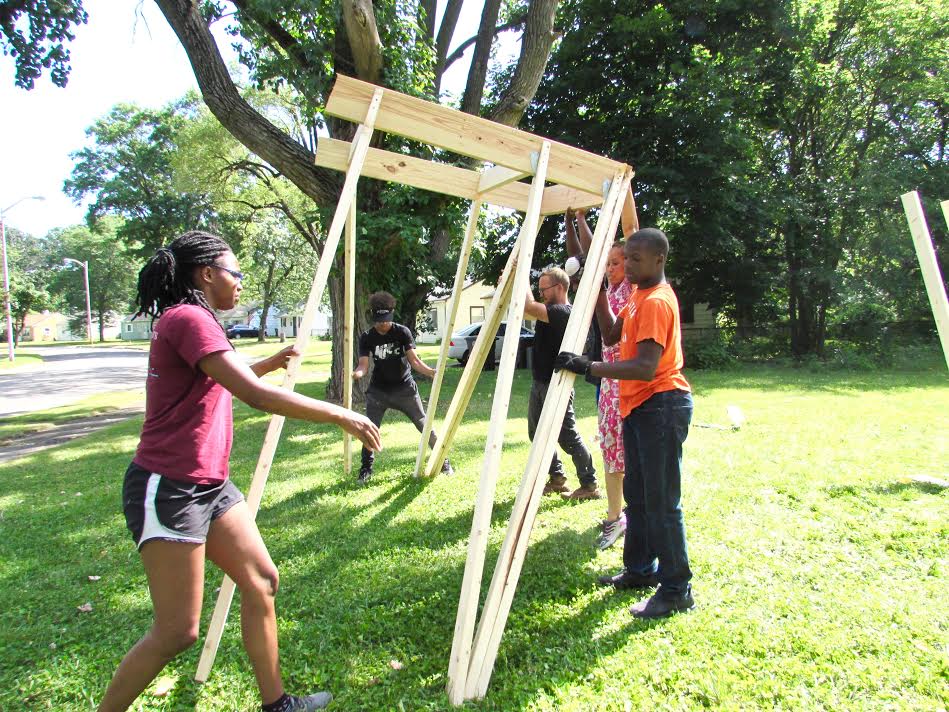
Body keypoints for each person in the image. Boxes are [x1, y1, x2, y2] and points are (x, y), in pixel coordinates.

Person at [99, 231, 382, 712]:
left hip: (210, 486)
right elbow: (254, 395)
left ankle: (278, 705)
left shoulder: (195, 320)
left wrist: (268, 362)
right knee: (178, 631)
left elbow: (223, 377)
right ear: (207, 274)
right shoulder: (189, 317)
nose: (241, 284)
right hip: (170, 487)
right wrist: (343, 414)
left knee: (261, 581)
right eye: (236, 273)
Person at [555, 227, 694, 619]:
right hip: (638, 408)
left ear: (659, 260)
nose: (628, 266)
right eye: (625, 258)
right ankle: (639, 571)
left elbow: (646, 367)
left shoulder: (656, 302)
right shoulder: (637, 296)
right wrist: (598, 289)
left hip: (661, 406)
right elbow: (613, 332)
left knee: (663, 503)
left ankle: (676, 589)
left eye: (635, 259)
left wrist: (590, 367)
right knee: (638, 495)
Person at [565, 207, 634, 549]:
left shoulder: (635, 289)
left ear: (632, 264)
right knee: (611, 449)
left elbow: (628, 231)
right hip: (610, 381)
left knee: (629, 450)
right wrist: (575, 220)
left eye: (616, 263)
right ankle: (614, 516)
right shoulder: (611, 286)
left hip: (632, 381)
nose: (610, 269)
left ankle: (627, 514)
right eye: (608, 265)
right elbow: (589, 256)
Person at [353, 291, 452, 484]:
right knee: (369, 430)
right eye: (379, 320)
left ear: (391, 315)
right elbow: (363, 365)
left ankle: (443, 462)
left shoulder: (402, 332)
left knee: (425, 425)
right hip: (378, 391)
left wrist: (431, 372)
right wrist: (355, 374)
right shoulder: (367, 337)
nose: (383, 324)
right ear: (373, 316)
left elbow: (414, 361)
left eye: (386, 319)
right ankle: (365, 469)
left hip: (404, 389)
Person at [523, 266, 599, 499]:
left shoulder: (562, 311)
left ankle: (590, 485)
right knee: (536, 433)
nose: (541, 293)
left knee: (567, 436)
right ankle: (556, 478)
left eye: (544, 289)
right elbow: (526, 312)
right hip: (541, 382)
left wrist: (520, 277)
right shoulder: (550, 310)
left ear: (559, 287)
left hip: (557, 384)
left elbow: (527, 307)